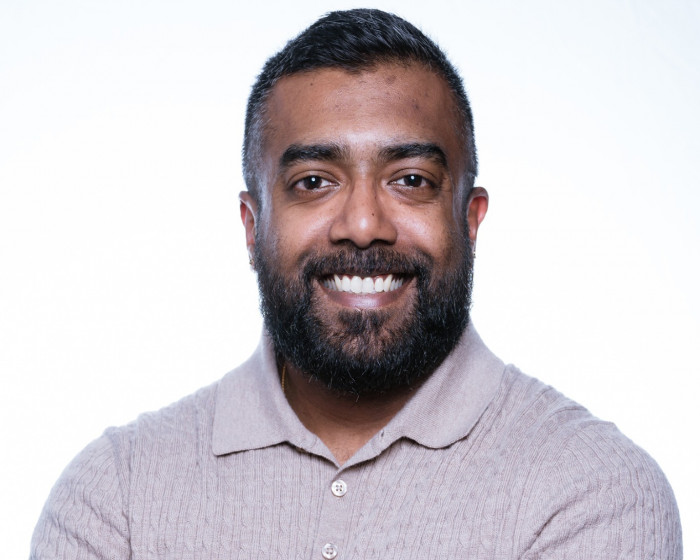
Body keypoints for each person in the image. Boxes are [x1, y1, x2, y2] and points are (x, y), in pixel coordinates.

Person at [31, 8, 682, 559]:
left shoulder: (592, 490)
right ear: (252, 226)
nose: (364, 225)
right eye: (314, 182)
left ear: (470, 218)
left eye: (411, 180)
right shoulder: (115, 495)